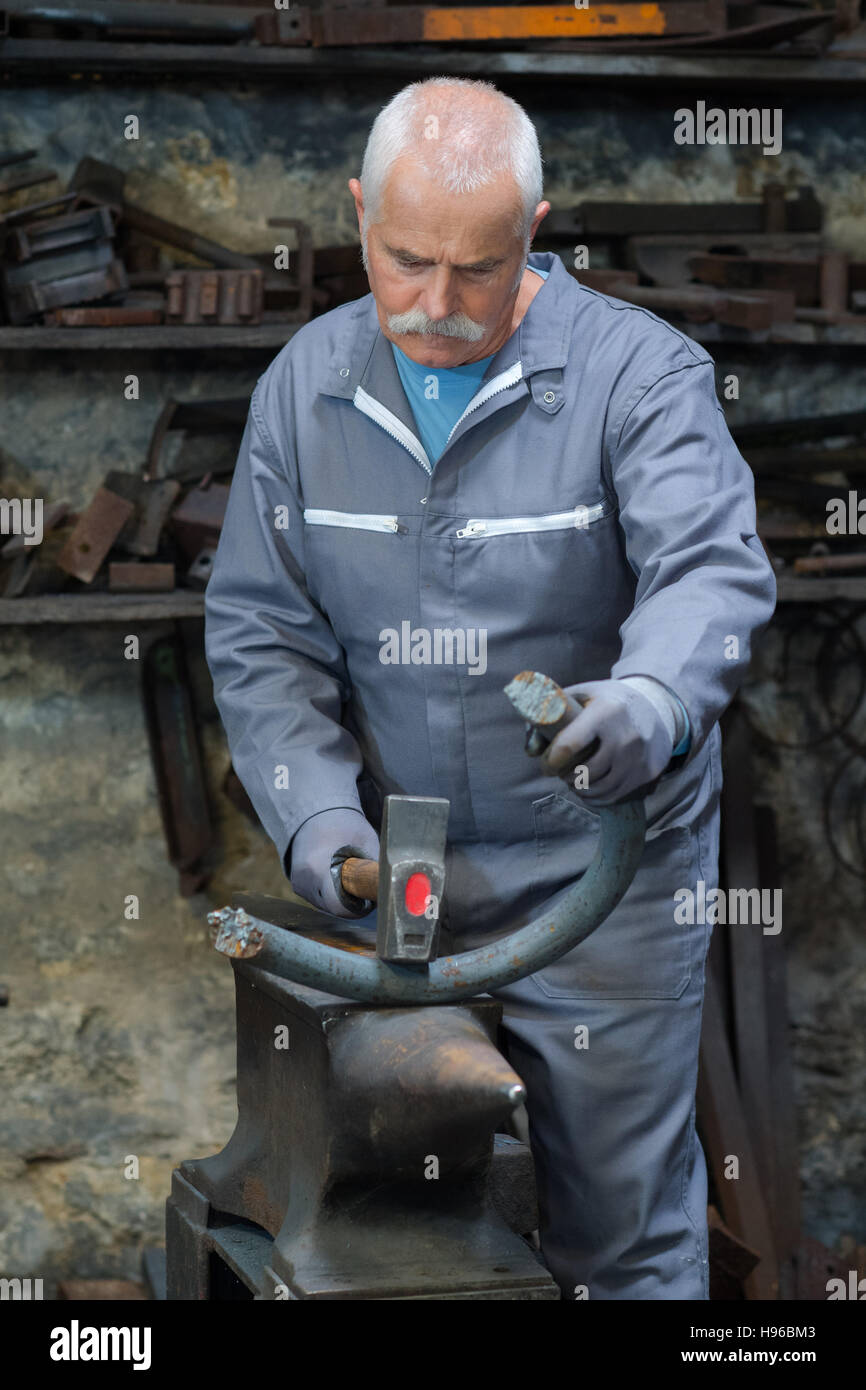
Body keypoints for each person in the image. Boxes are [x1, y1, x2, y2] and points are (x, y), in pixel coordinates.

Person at [204, 76, 776, 1299]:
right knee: (398, 1228)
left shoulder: (640, 377)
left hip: (603, 882)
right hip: (401, 881)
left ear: (537, 229)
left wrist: (645, 708)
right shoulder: (303, 392)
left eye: (480, 268)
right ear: (358, 212)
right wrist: (320, 826)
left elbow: (710, 577)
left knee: (616, 1232)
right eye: (406, 261)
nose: (440, 306)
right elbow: (263, 633)